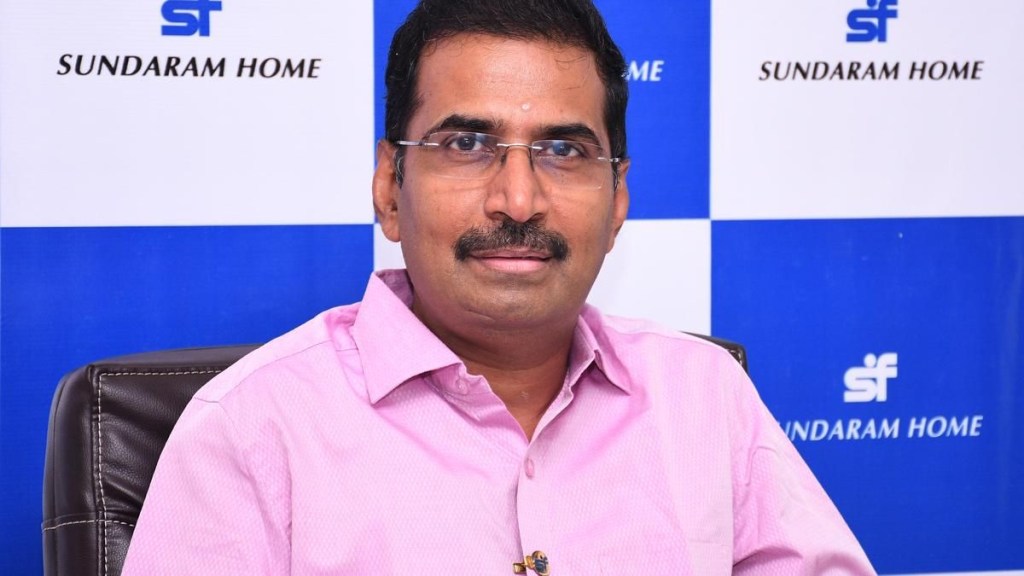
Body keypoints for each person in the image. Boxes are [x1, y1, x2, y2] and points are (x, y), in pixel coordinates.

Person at [122, 0, 876, 573]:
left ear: (618, 201)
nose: (518, 200)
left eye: (563, 151)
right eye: (467, 144)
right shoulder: (252, 427)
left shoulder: (704, 395)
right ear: (389, 186)